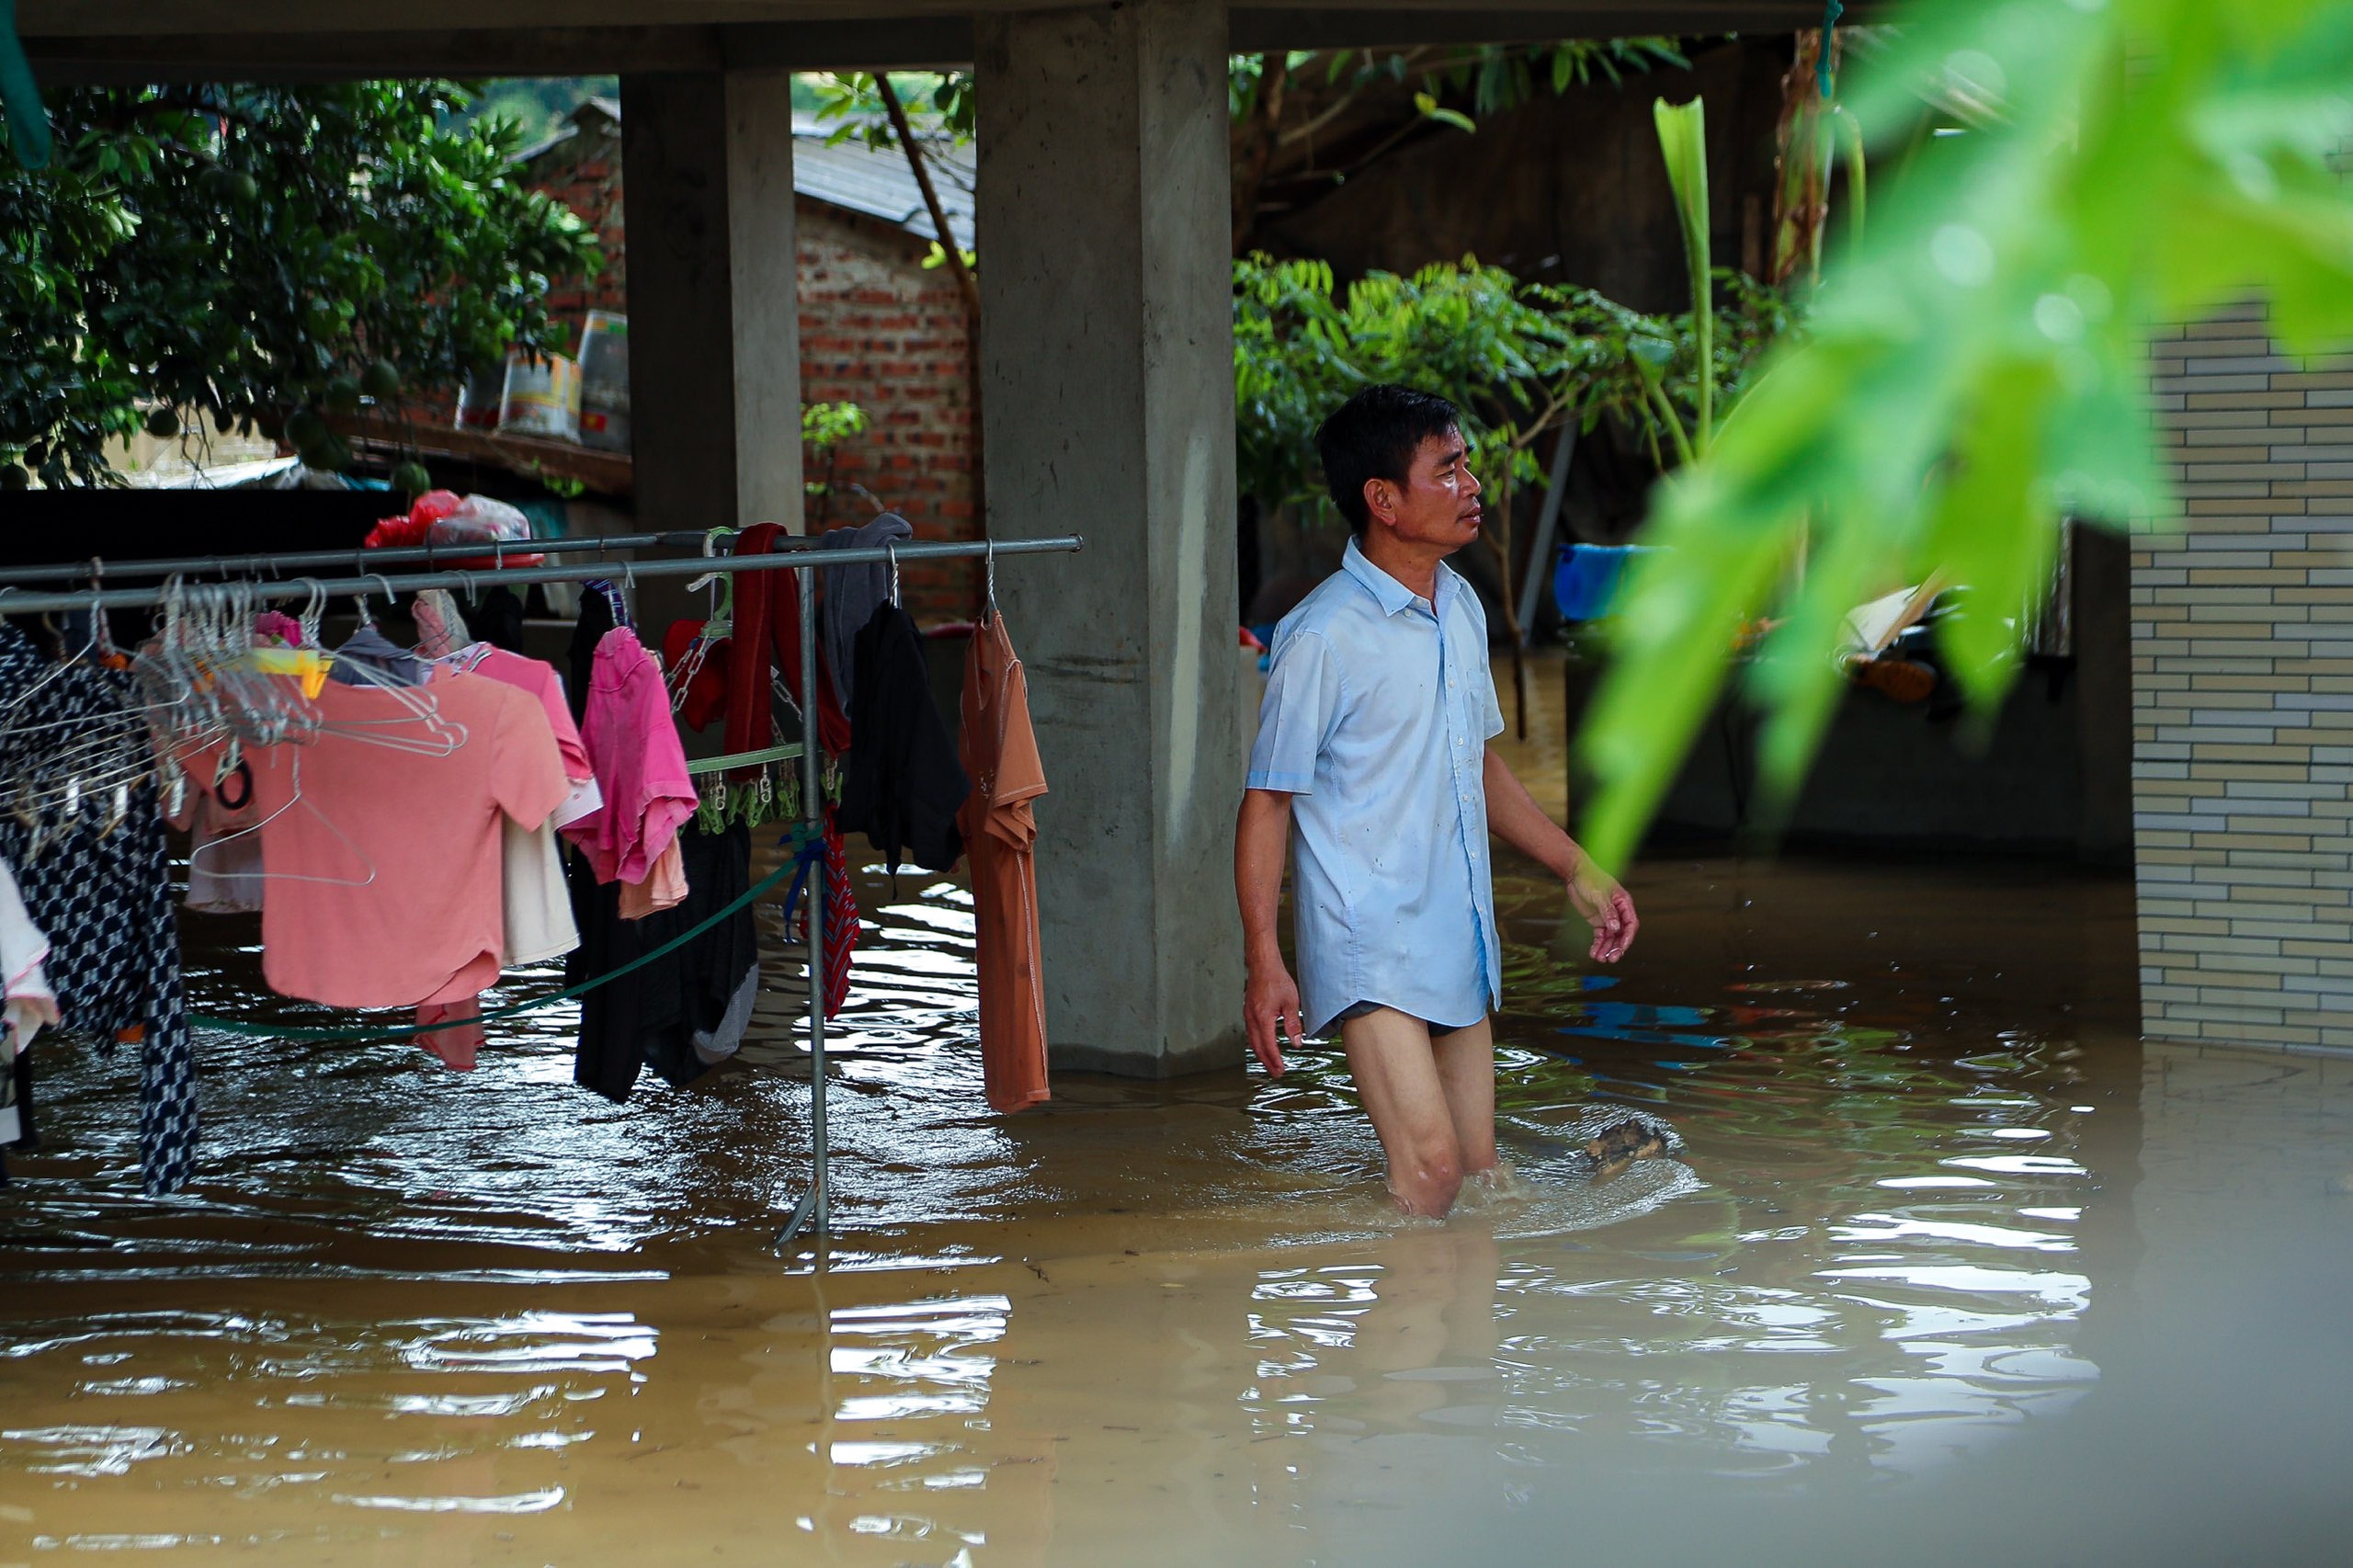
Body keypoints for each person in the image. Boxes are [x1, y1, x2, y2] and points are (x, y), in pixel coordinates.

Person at [1233, 384, 1639, 1219]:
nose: (1472, 486)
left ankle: (1454, 1342)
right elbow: (1267, 802)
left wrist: (1576, 864)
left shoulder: (1459, 604)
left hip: (1455, 927)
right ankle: (1379, 1342)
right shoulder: (1319, 636)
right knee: (1430, 1175)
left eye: (1467, 466)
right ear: (1382, 499)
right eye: (1447, 470)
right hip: (1367, 937)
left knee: (1480, 1181)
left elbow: (1475, 761)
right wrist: (1265, 959)